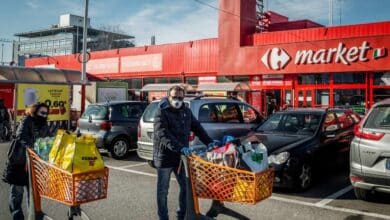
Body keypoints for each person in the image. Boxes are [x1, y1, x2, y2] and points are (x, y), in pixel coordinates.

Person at [153, 85, 216, 220]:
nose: (177, 100)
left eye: (180, 97)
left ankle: (181, 215)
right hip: (165, 157)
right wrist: (179, 147)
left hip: (181, 158)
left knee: (186, 187)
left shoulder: (186, 111)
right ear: (168, 97)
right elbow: (163, 134)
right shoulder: (161, 112)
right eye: (174, 97)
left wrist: (209, 141)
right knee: (163, 191)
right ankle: (163, 217)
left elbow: (197, 127)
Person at [4, 103, 50, 220]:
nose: (44, 115)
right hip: (20, 162)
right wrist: (32, 148)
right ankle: (17, 217)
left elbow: (48, 139)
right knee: (17, 194)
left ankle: (32, 216)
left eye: (46, 113)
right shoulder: (27, 120)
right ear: (35, 111)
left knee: (33, 193)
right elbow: (21, 136)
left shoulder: (44, 124)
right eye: (42, 113)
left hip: (35, 164)